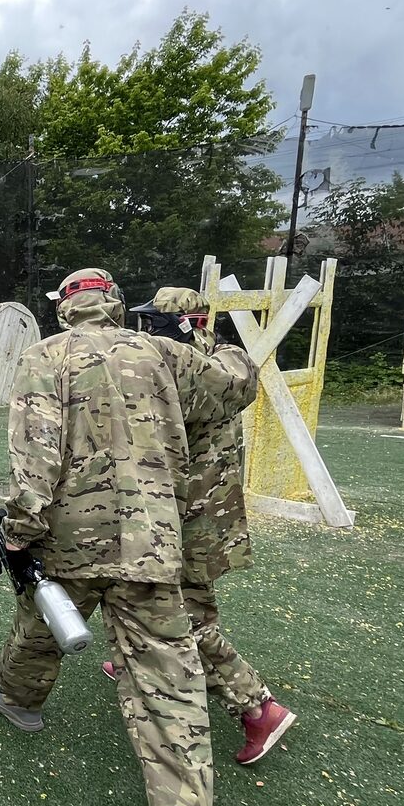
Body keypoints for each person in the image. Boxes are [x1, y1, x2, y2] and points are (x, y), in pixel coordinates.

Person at [0, 268, 256, 806]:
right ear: (114, 305)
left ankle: (16, 699)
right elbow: (237, 388)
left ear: (64, 310)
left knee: (44, 624)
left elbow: (35, 458)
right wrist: (218, 338)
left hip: (71, 540)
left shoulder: (43, 357)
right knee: (168, 671)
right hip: (154, 538)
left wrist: (21, 534)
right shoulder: (162, 351)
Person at [124, 287, 295, 766]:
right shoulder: (227, 361)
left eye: (154, 322)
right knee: (183, 602)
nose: (144, 330)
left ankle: (258, 708)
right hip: (215, 516)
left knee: (185, 620)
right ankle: (129, 658)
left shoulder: (178, 374)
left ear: (184, 325)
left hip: (181, 517)